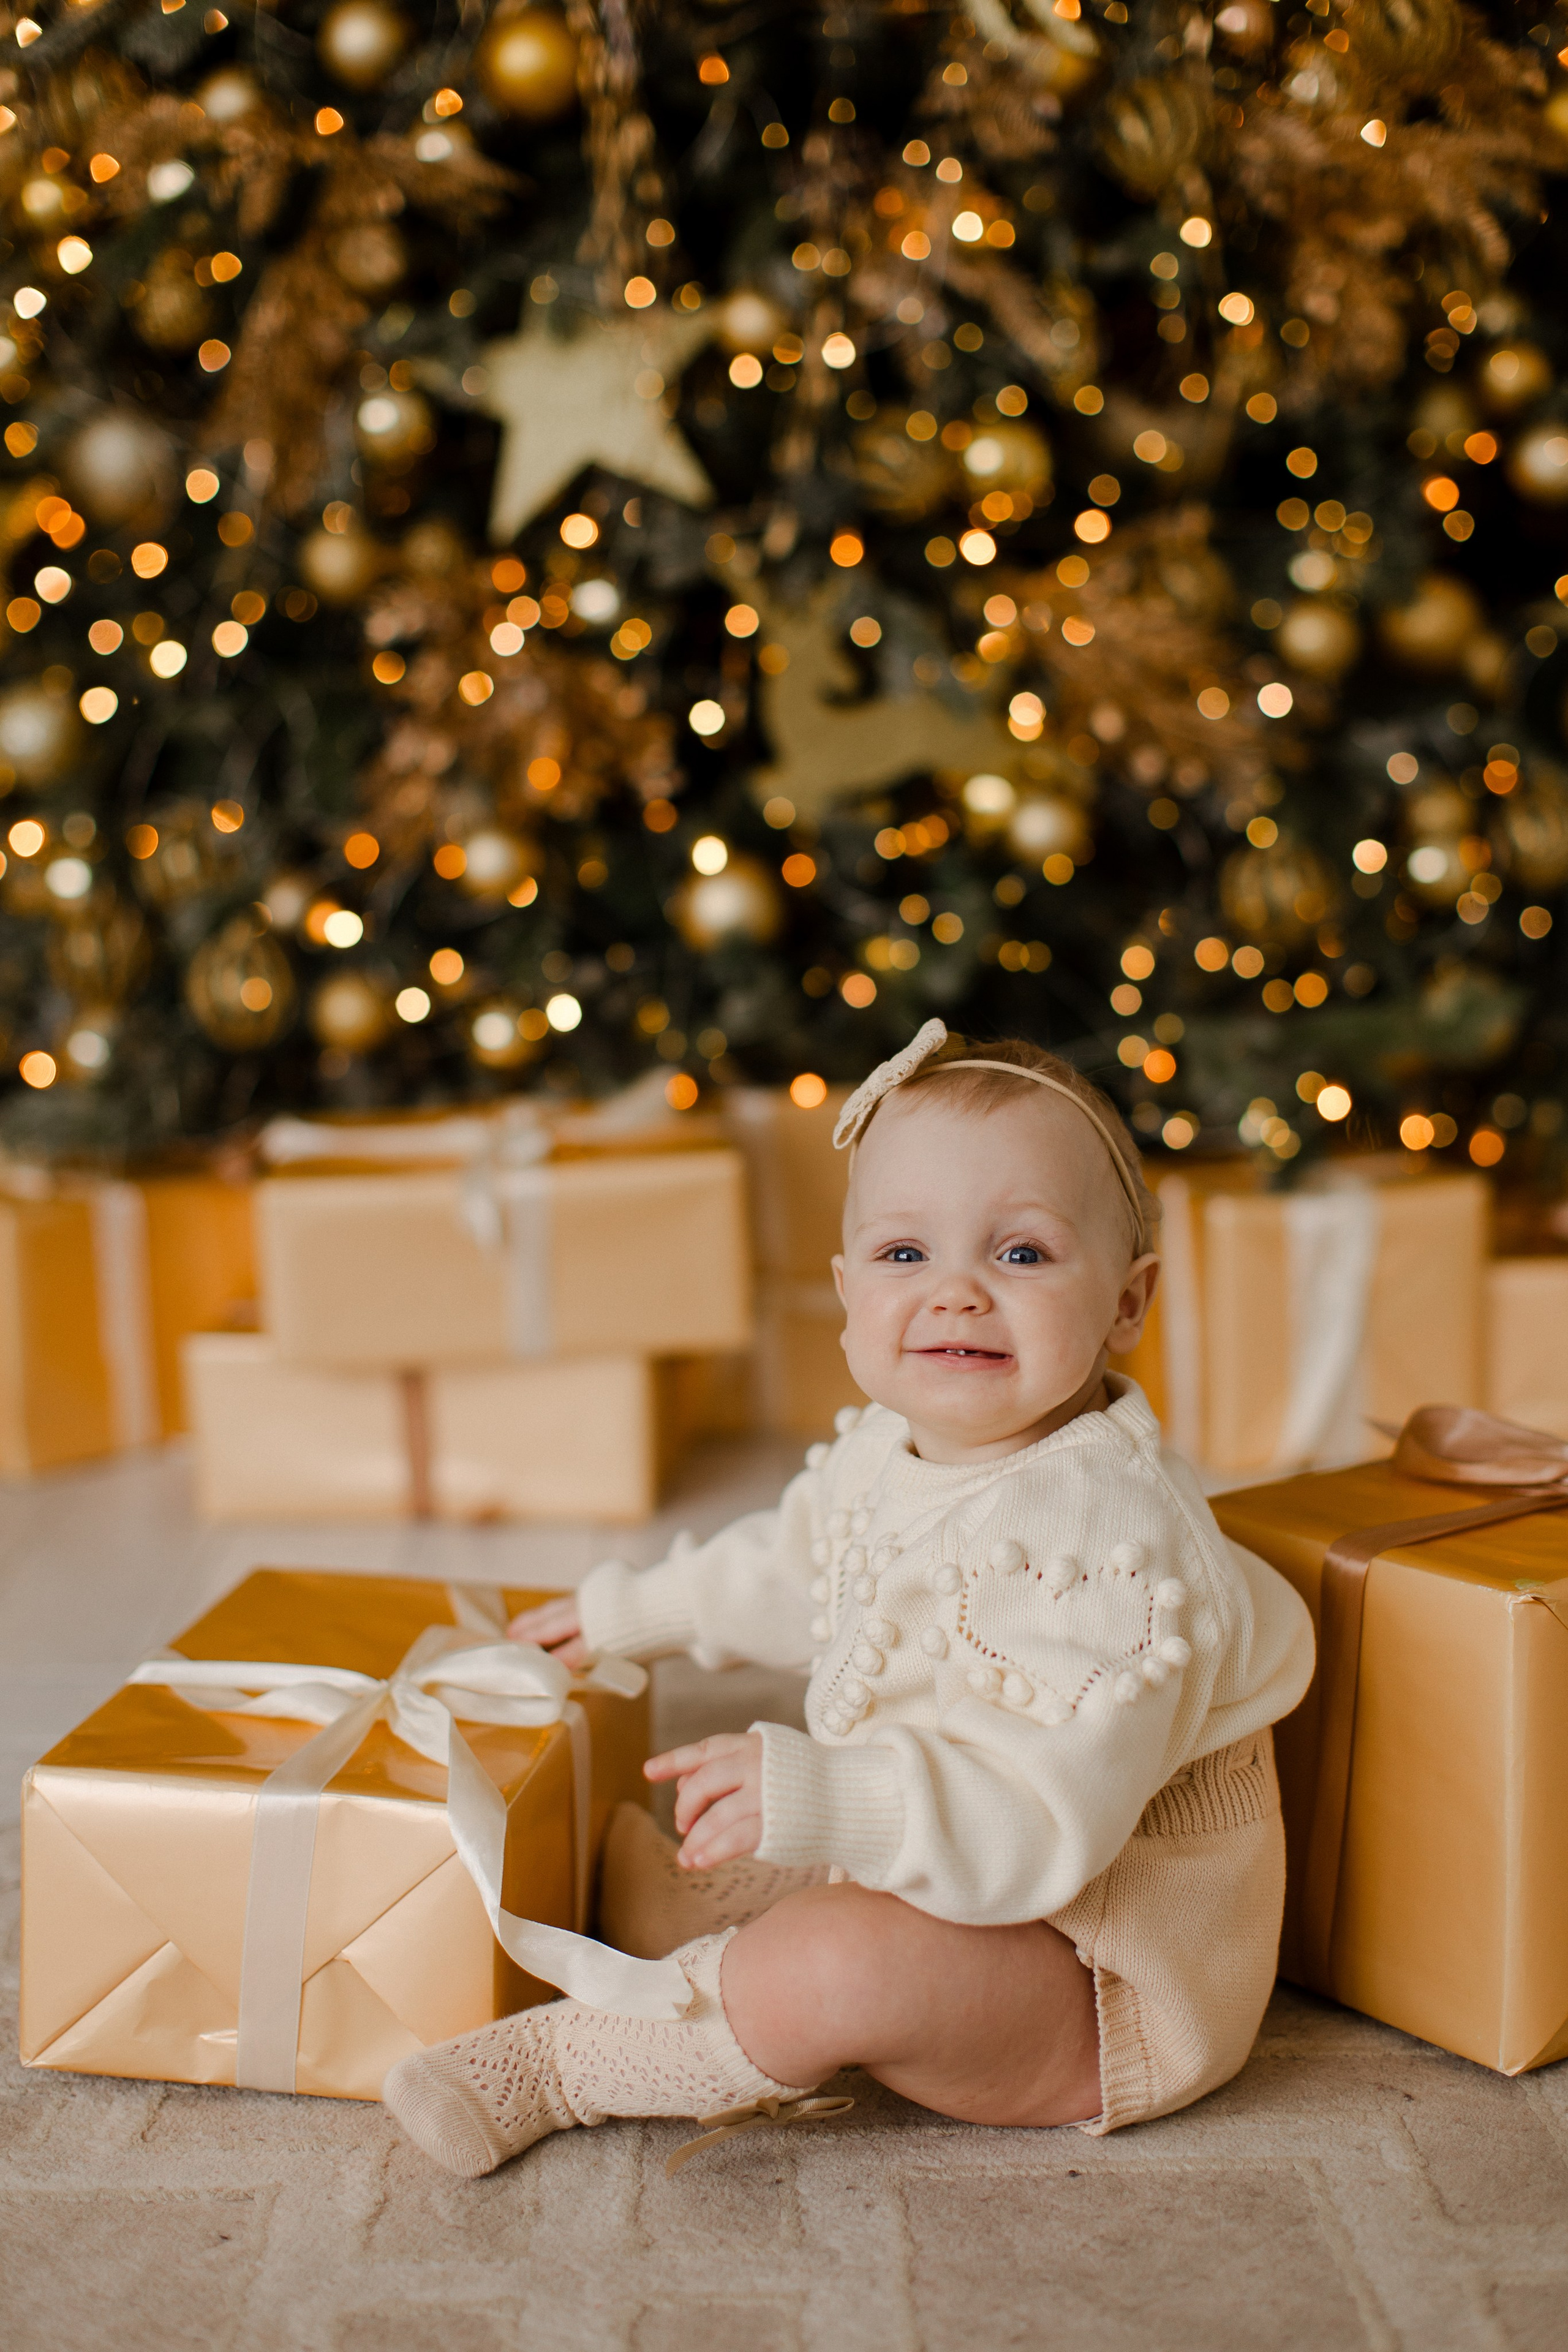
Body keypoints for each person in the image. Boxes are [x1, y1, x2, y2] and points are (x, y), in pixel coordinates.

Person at [383, 1020, 1314, 2177]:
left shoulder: (1103, 1550)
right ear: (844, 1290)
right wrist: (644, 1612)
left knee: (836, 1962)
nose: (957, 1296)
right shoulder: (899, 1442)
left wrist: (833, 1799)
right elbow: (800, 1563)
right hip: (970, 1882)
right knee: (759, 1857)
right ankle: (696, 1922)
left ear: (1128, 1303)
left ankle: (567, 2066)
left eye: (1021, 1255)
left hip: (1089, 1977)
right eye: (903, 1255)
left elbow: (1036, 1830)